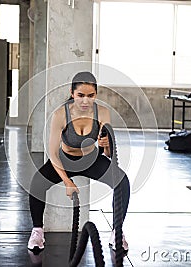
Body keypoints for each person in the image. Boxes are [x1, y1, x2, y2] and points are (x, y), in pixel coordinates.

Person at [27, 71, 130, 253]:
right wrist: (67, 181)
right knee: (37, 183)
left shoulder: (102, 112)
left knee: (122, 182)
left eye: (90, 96)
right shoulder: (61, 114)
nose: (85, 101)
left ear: (96, 95)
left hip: (91, 159)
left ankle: (117, 231)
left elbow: (108, 154)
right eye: (80, 95)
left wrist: (105, 145)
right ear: (72, 93)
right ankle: (37, 231)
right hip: (65, 160)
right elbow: (52, 152)